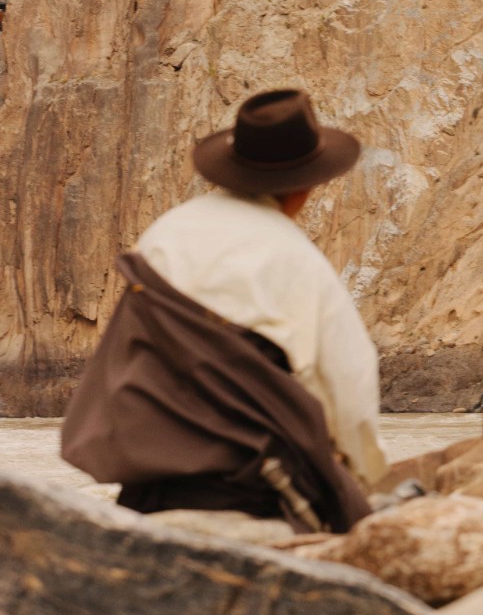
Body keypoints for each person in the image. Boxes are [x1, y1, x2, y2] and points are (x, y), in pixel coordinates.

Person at [62, 88, 386, 532]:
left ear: (232, 169)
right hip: (253, 491)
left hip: (145, 493)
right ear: (307, 184)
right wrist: (363, 482)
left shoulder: (164, 237)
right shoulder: (294, 260)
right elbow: (348, 388)